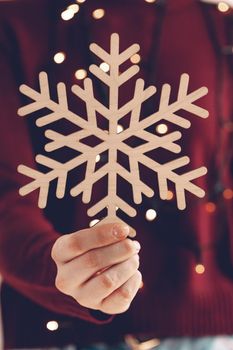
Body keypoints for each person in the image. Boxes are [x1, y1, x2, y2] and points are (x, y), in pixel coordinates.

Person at [0, 0, 233, 348]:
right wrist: (60, 269)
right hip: (59, 332)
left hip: (206, 330)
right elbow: (7, 196)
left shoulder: (218, 20)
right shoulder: (21, 18)